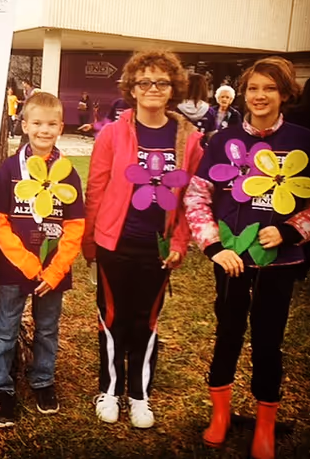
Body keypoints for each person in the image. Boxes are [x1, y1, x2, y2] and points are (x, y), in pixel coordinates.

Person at [183, 57, 310, 459]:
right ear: (242, 93)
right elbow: (197, 195)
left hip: (279, 264)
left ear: (285, 94)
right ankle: (221, 414)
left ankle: (265, 423)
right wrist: (215, 246)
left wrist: (290, 230)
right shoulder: (223, 138)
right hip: (232, 260)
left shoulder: (304, 140)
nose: (260, 96)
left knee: (268, 341)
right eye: (253, 88)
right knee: (227, 335)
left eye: (269, 88)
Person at [83, 50, 203, 429]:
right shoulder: (114, 134)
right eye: (144, 81)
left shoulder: (190, 139)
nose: (152, 88)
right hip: (115, 245)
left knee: (145, 321)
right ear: (132, 88)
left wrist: (180, 243)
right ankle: (110, 389)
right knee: (113, 318)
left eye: (161, 82)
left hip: (158, 249)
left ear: (173, 89)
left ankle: (139, 395)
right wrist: (90, 241)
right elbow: (97, 188)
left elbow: (190, 200)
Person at [0, 92, 84, 428]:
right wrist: (26, 262)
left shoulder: (67, 172)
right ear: (24, 124)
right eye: (37, 123)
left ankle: (43, 381)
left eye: (51, 124)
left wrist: (55, 269)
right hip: (14, 268)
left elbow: (75, 226)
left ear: (61, 127)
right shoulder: (10, 168)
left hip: (53, 272)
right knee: (4, 328)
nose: (44, 130)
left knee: (47, 329)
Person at [284, 76, 310, 280]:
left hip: (294, 171)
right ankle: (303, 266)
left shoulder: (293, 113)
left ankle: (287, 251)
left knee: (292, 211)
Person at [177, 73, 217, 138]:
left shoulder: (174, 109)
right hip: (201, 146)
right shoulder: (209, 111)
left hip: (179, 146)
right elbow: (212, 136)